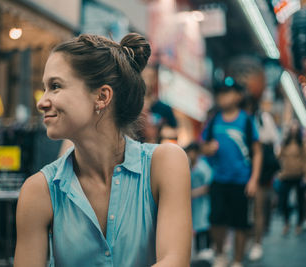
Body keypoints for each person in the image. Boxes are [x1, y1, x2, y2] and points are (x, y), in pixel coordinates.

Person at [14, 33, 192, 266]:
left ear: (102, 96)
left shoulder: (165, 164)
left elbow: (175, 260)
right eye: (44, 88)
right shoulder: (38, 190)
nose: (41, 102)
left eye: (55, 86)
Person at [201, 81, 262, 267]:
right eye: (220, 93)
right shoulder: (214, 121)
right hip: (218, 180)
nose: (222, 96)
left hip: (241, 181)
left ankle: (237, 260)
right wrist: (208, 148)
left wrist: (253, 180)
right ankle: (220, 255)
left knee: (240, 224)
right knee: (216, 221)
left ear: (238, 96)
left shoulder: (247, 121)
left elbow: (257, 152)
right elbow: (203, 146)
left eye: (227, 92)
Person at [249, 110, 280, 261]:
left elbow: (270, 141)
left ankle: (257, 243)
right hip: (250, 172)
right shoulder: (247, 117)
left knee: (258, 210)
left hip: (261, 175)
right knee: (254, 210)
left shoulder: (262, 117)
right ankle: (253, 241)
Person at [278, 121, 306, 236]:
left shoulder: (302, 144)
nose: (293, 131)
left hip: (298, 176)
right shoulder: (285, 143)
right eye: (291, 129)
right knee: (283, 200)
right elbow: (279, 156)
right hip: (286, 175)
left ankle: (299, 224)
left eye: (295, 129)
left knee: (300, 200)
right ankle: (286, 222)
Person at [185, 142, 213, 261]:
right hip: (194, 203)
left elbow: (208, 186)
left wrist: (193, 193)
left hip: (203, 201)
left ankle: (207, 249)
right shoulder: (190, 166)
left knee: (204, 223)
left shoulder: (203, 167)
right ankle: (198, 251)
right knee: (196, 225)